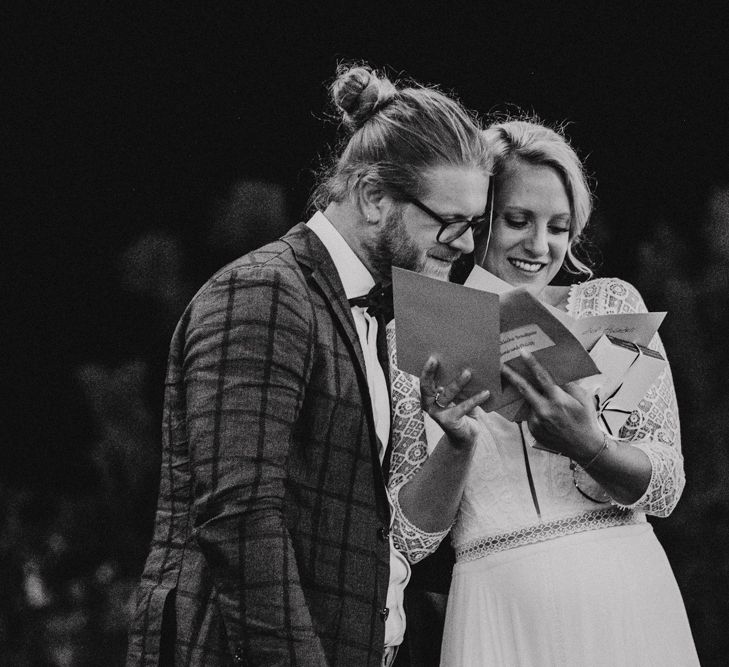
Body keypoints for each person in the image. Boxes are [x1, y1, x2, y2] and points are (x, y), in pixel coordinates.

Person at [125, 63, 493, 667]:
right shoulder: (264, 292)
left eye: (473, 224)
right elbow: (240, 520)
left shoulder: (376, 312)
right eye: (449, 221)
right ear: (374, 196)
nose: (463, 244)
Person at [388, 118, 700, 666]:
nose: (539, 245)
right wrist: (456, 443)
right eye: (517, 220)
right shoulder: (415, 329)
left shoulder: (607, 306)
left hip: (625, 594)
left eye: (559, 226)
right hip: (495, 608)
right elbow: (408, 541)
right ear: (477, 219)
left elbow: (667, 487)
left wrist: (590, 445)